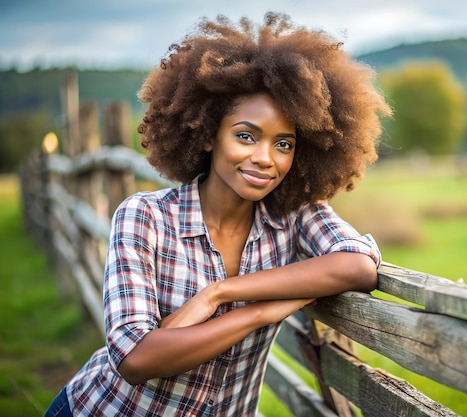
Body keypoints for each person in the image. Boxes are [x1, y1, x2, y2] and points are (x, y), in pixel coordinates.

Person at [45, 11, 391, 417]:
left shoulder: (293, 214)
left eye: (284, 144)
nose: (265, 159)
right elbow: (135, 360)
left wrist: (227, 293)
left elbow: (359, 265)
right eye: (246, 136)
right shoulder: (145, 217)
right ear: (209, 134)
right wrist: (261, 310)